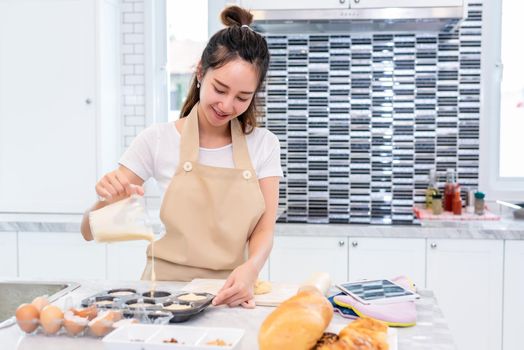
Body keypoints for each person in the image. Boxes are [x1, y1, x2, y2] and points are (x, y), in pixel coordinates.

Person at [80, 5, 282, 308]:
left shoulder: (264, 145)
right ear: (200, 72)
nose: (227, 105)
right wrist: (108, 201)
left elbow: (264, 228)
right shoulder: (156, 140)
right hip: (162, 295)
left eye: (242, 97)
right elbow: (88, 231)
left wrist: (250, 271)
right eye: (220, 89)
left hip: (227, 295)